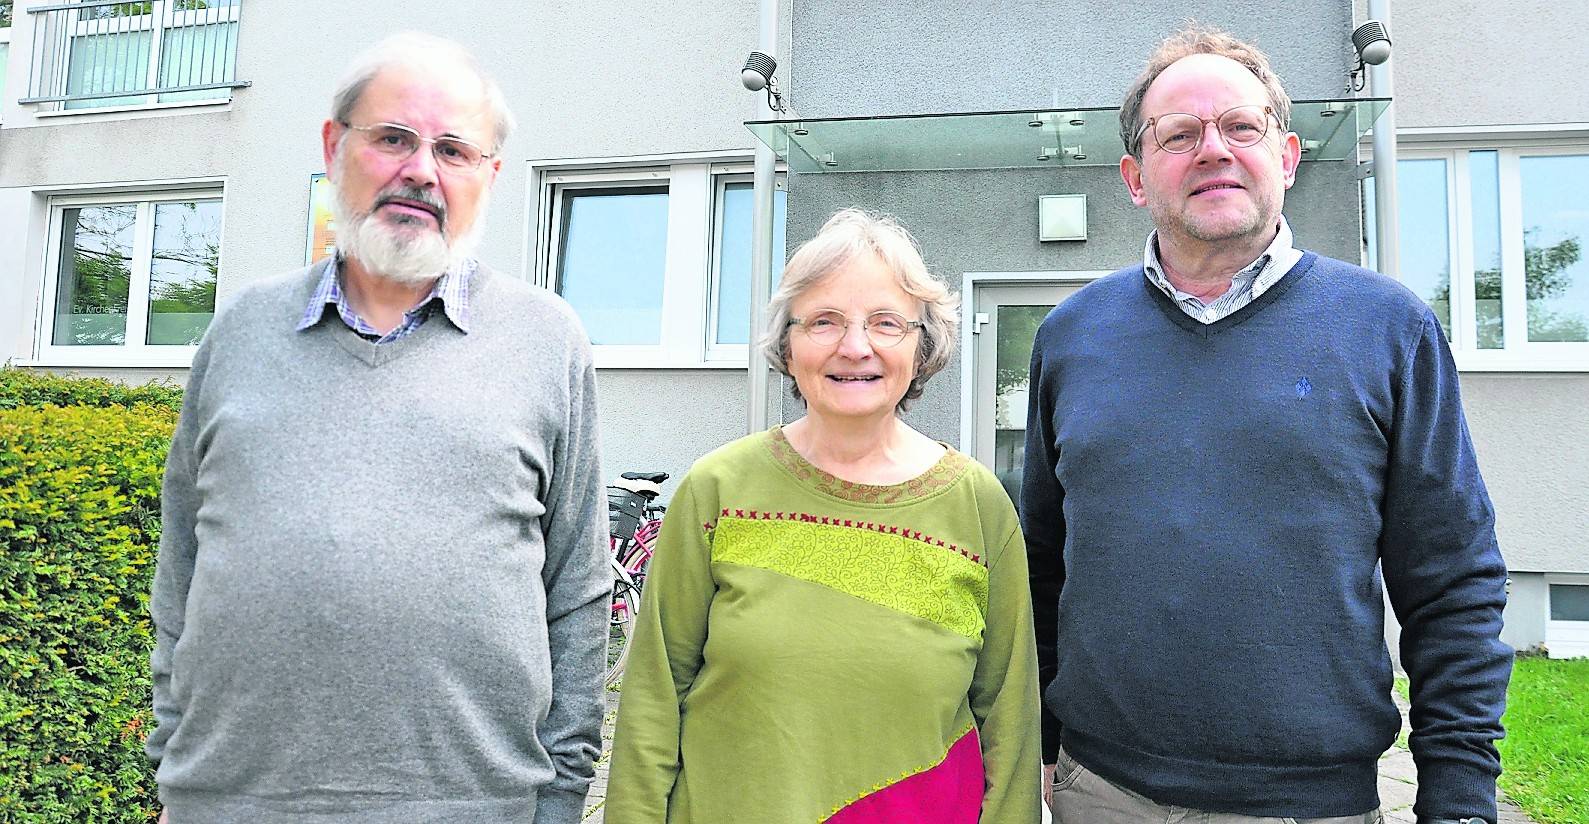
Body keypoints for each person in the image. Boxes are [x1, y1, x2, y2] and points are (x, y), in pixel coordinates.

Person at [1021, 24, 1511, 824]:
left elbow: (1451, 581)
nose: (1212, 149)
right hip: (1099, 793)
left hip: (1311, 807)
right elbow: (1043, 565)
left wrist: (1458, 798)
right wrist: (1037, 751)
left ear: (1284, 155)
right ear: (1135, 176)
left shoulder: (1387, 329)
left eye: (1239, 127)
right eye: (1177, 134)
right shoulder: (1072, 336)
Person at [147, 33, 609, 824]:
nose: (420, 170)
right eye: (393, 137)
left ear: (488, 177)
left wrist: (559, 796)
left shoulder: (545, 340)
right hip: (229, 800)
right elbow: (182, 564)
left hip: (473, 806)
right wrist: (172, 755)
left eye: (454, 150)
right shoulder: (239, 331)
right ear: (336, 146)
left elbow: (577, 589)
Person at [606, 208, 1042, 823]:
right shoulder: (716, 491)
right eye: (824, 321)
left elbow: (1010, 719)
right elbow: (653, 699)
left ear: (924, 345)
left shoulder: (976, 505)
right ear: (788, 344)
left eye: (886, 323)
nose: (855, 346)